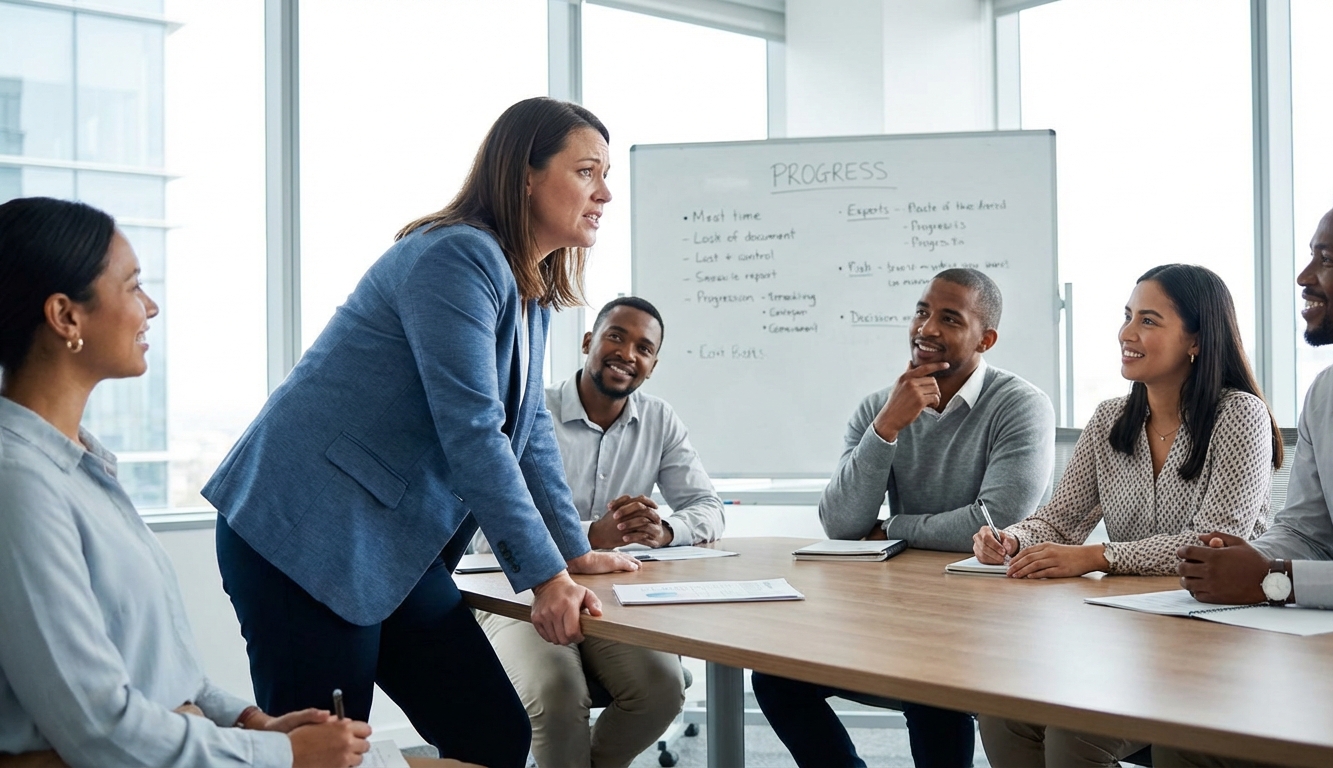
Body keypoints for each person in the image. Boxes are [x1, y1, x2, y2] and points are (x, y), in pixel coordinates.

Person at [202, 98, 639, 768]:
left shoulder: (530, 289)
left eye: (605, 176)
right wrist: (546, 579)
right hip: (305, 533)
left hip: (393, 546)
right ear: (525, 175)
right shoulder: (456, 257)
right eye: (586, 172)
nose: (604, 193)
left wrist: (571, 552)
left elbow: (528, 433)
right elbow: (474, 431)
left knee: (494, 735)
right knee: (330, 754)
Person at [0, 197, 370, 767]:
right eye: (132, 286)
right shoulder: (20, 486)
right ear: (66, 317)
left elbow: (159, 664)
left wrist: (253, 722)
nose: (149, 307)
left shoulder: (78, 465)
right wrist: (281, 755)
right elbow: (99, 726)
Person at [971, 263, 1283, 767]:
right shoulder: (1110, 419)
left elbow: (1214, 545)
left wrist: (1100, 556)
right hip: (1129, 635)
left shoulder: (1239, 414)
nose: (1126, 333)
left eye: (1149, 320)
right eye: (1127, 316)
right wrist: (1014, 539)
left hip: (1216, 637)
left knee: (1074, 737)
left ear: (1196, 340)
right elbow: (1059, 519)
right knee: (1002, 713)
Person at [752, 268, 1055, 768]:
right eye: (921, 312)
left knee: (930, 685)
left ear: (986, 339)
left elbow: (995, 523)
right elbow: (841, 525)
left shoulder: (1021, 406)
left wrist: (894, 528)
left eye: (949, 318)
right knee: (775, 678)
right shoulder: (880, 407)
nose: (926, 328)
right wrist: (887, 427)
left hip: (984, 618)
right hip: (899, 609)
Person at [473, 295, 723, 768]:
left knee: (662, 688)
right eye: (616, 337)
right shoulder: (531, 410)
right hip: (519, 592)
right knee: (557, 694)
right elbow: (484, 533)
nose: (627, 354)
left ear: (653, 365)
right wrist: (590, 535)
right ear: (588, 341)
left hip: (614, 599)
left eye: (643, 348)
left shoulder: (659, 419)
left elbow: (708, 508)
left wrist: (664, 530)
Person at [1177, 177, 1333, 611]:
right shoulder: (1326, 395)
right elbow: (1307, 535)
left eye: (1328, 260)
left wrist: (1277, 579)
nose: (1304, 277)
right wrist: (1233, 561)